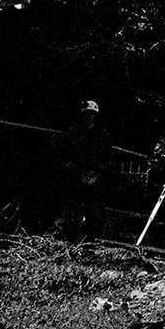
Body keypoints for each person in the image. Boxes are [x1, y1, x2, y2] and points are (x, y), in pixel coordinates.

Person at [56, 100, 113, 239]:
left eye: (91, 115)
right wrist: (69, 165)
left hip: (94, 176)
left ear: (95, 116)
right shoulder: (73, 133)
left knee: (93, 208)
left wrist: (99, 171)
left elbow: (108, 156)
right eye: (86, 115)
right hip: (75, 174)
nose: (89, 117)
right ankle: (68, 235)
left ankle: (89, 238)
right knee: (72, 206)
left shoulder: (102, 135)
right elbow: (62, 151)